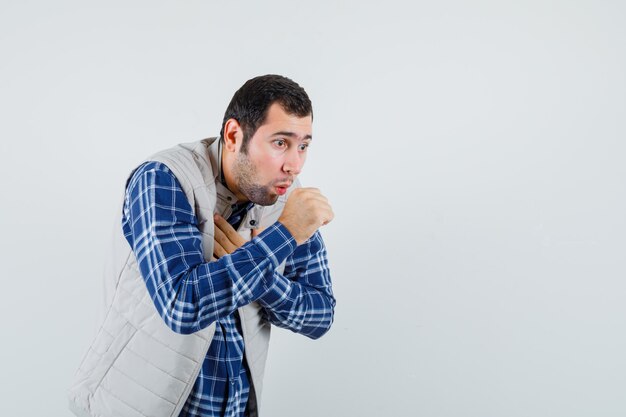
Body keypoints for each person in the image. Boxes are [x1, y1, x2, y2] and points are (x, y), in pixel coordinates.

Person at [68, 74, 336, 417]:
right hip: (135, 406)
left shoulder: (287, 199)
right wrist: (282, 237)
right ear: (234, 135)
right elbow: (182, 305)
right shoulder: (163, 178)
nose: (294, 164)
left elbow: (320, 315)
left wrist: (258, 267)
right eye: (280, 143)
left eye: (303, 146)